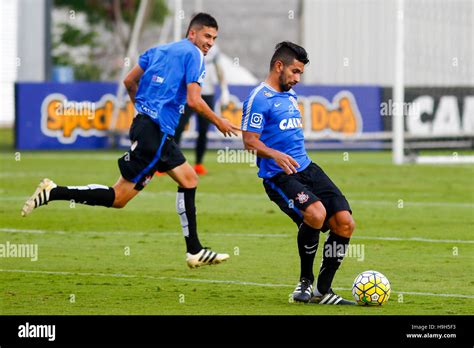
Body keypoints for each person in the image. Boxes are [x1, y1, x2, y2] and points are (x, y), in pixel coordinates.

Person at [21, 13, 239, 269]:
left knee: (189, 179)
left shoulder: (157, 50)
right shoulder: (194, 55)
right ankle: (53, 191)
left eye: (214, 38)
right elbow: (194, 99)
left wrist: (143, 111)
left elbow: (128, 81)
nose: (210, 42)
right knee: (118, 197)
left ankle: (194, 250)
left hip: (149, 129)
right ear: (192, 34)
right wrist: (219, 121)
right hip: (155, 133)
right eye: (206, 36)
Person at [241, 41, 356, 304]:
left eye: (300, 74)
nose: (297, 78)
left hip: (307, 168)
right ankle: (305, 282)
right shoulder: (259, 98)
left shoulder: (290, 96)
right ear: (278, 66)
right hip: (278, 176)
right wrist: (275, 154)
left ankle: (323, 292)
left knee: (345, 223)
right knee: (316, 214)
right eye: (294, 71)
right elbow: (249, 141)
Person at [173, 44, 230, 175]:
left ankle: (198, 164)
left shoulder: (214, 50)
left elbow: (220, 71)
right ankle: (168, 163)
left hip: (207, 94)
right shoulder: (188, 49)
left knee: (203, 131)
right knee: (178, 128)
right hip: (189, 93)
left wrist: (224, 90)